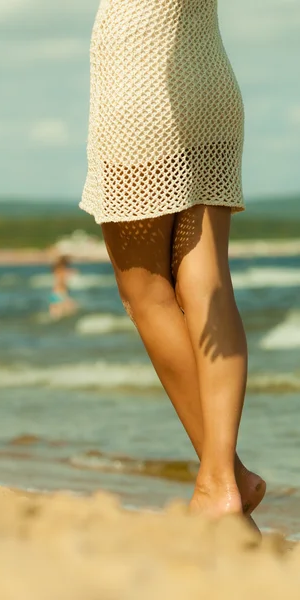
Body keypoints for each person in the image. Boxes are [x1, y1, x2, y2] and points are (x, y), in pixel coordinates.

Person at [79, 0, 265, 521]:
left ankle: (219, 480)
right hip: (209, 84)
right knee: (208, 284)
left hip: (140, 90)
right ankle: (228, 481)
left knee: (146, 293)